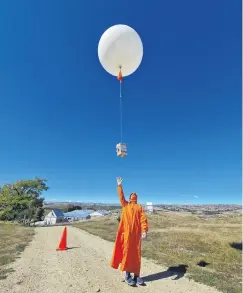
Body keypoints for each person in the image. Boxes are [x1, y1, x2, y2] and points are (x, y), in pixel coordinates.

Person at [110, 177, 148, 286]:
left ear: (136, 198)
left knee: (136, 255)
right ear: (130, 197)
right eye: (132, 194)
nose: (133, 195)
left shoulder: (139, 207)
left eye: (135, 195)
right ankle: (127, 276)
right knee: (127, 254)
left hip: (136, 236)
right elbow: (121, 197)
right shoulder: (125, 205)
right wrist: (119, 186)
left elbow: (143, 219)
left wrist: (144, 230)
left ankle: (136, 276)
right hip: (127, 235)